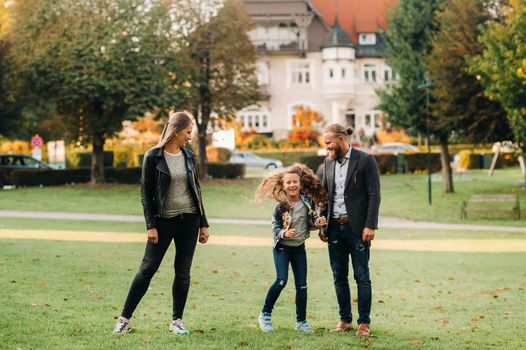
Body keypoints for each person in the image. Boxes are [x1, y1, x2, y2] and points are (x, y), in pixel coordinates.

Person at [113, 112, 209, 335]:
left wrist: (204, 224)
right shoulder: (153, 156)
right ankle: (123, 320)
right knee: (147, 269)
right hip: (163, 222)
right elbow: (146, 194)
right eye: (187, 133)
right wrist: (151, 225)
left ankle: (177, 321)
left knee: (182, 272)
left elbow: (197, 190)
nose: (189, 137)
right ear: (176, 132)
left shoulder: (189, 156)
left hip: (190, 220)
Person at [319, 123, 381, 337]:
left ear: (342, 140)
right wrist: (322, 221)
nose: (326, 147)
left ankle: (364, 323)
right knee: (339, 276)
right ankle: (345, 320)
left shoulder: (365, 160)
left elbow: (374, 195)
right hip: (334, 228)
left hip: (357, 230)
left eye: (329, 143)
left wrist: (370, 225)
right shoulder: (327, 163)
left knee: (362, 276)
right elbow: (323, 196)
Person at [255, 163, 328, 333]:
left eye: (295, 182)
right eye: (288, 183)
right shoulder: (281, 207)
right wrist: (284, 234)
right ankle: (265, 314)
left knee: (302, 285)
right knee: (281, 281)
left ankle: (301, 322)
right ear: (283, 186)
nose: (292, 185)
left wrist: (318, 223)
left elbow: (311, 221)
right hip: (282, 249)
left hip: (299, 249)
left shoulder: (308, 202)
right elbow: (275, 227)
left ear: (300, 184)